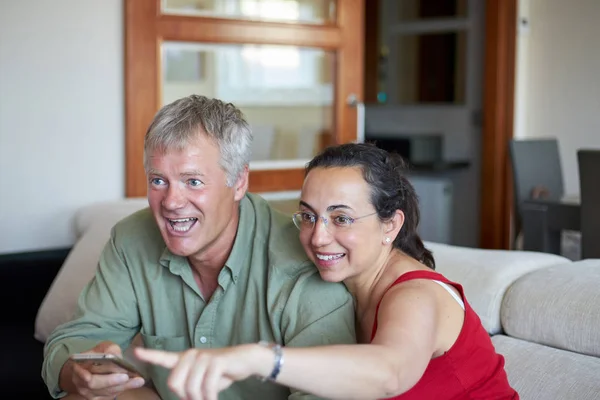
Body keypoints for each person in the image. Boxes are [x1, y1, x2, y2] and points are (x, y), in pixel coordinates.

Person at [135, 142, 519, 400]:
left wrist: (260, 358)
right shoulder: (334, 286)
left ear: (391, 224)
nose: (318, 237)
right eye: (308, 216)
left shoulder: (415, 294)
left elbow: (389, 372)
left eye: (341, 218)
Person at [41, 95, 356, 400]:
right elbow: (74, 341)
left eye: (192, 181)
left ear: (240, 182)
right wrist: (81, 373)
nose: (172, 203)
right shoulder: (131, 239)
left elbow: (327, 394)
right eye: (158, 181)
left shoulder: (303, 263)